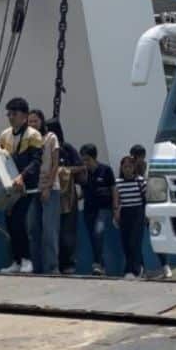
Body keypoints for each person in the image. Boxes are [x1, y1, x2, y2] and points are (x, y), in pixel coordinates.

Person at [0, 97, 42, 273]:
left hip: (27, 187)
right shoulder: (4, 134)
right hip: (9, 188)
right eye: (8, 113)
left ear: (24, 115)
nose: (10, 117)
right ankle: (16, 261)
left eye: (13, 113)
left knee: (18, 222)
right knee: (9, 223)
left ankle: (27, 260)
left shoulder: (33, 135)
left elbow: (36, 162)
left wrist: (22, 177)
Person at [26, 108, 60, 274]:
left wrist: (48, 187)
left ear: (42, 122)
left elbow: (55, 164)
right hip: (33, 190)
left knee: (49, 230)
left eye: (35, 121)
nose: (32, 124)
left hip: (49, 189)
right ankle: (37, 268)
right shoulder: (29, 141)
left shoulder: (51, 138)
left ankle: (52, 267)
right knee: (33, 230)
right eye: (30, 121)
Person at [130, 143, 171, 280]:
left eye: (137, 157)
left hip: (150, 206)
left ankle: (165, 266)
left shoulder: (150, 170)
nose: (136, 160)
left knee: (155, 238)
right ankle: (141, 269)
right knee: (136, 240)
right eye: (134, 157)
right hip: (137, 208)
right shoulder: (132, 171)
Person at [46, 120, 81, 274]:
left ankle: (68, 264)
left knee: (67, 232)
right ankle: (54, 263)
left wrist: (61, 171)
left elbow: (80, 167)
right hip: (52, 194)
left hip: (67, 196)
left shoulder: (67, 149)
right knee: (52, 231)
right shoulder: (47, 147)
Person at [76, 143, 115, 276]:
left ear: (94, 158)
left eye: (87, 159)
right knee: (93, 237)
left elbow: (113, 189)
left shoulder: (106, 170)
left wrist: (115, 208)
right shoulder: (84, 173)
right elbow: (82, 192)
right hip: (89, 209)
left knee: (98, 232)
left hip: (103, 209)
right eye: (83, 160)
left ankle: (97, 264)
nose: (85, 162)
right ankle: (101, 266)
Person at [114, 155, 146, 280]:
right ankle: (131, 269)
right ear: (121, 168)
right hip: (125, 214)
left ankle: (135, 269)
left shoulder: (140, 181)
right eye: (125, 167)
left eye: (130, 167)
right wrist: (116, 211)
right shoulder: (118, 182)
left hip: (137, 213)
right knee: (126, 243)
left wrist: (146, 215)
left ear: (134, 168)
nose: (127, 169)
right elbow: (116, 198)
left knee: (134, 242)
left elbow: (146, 199)